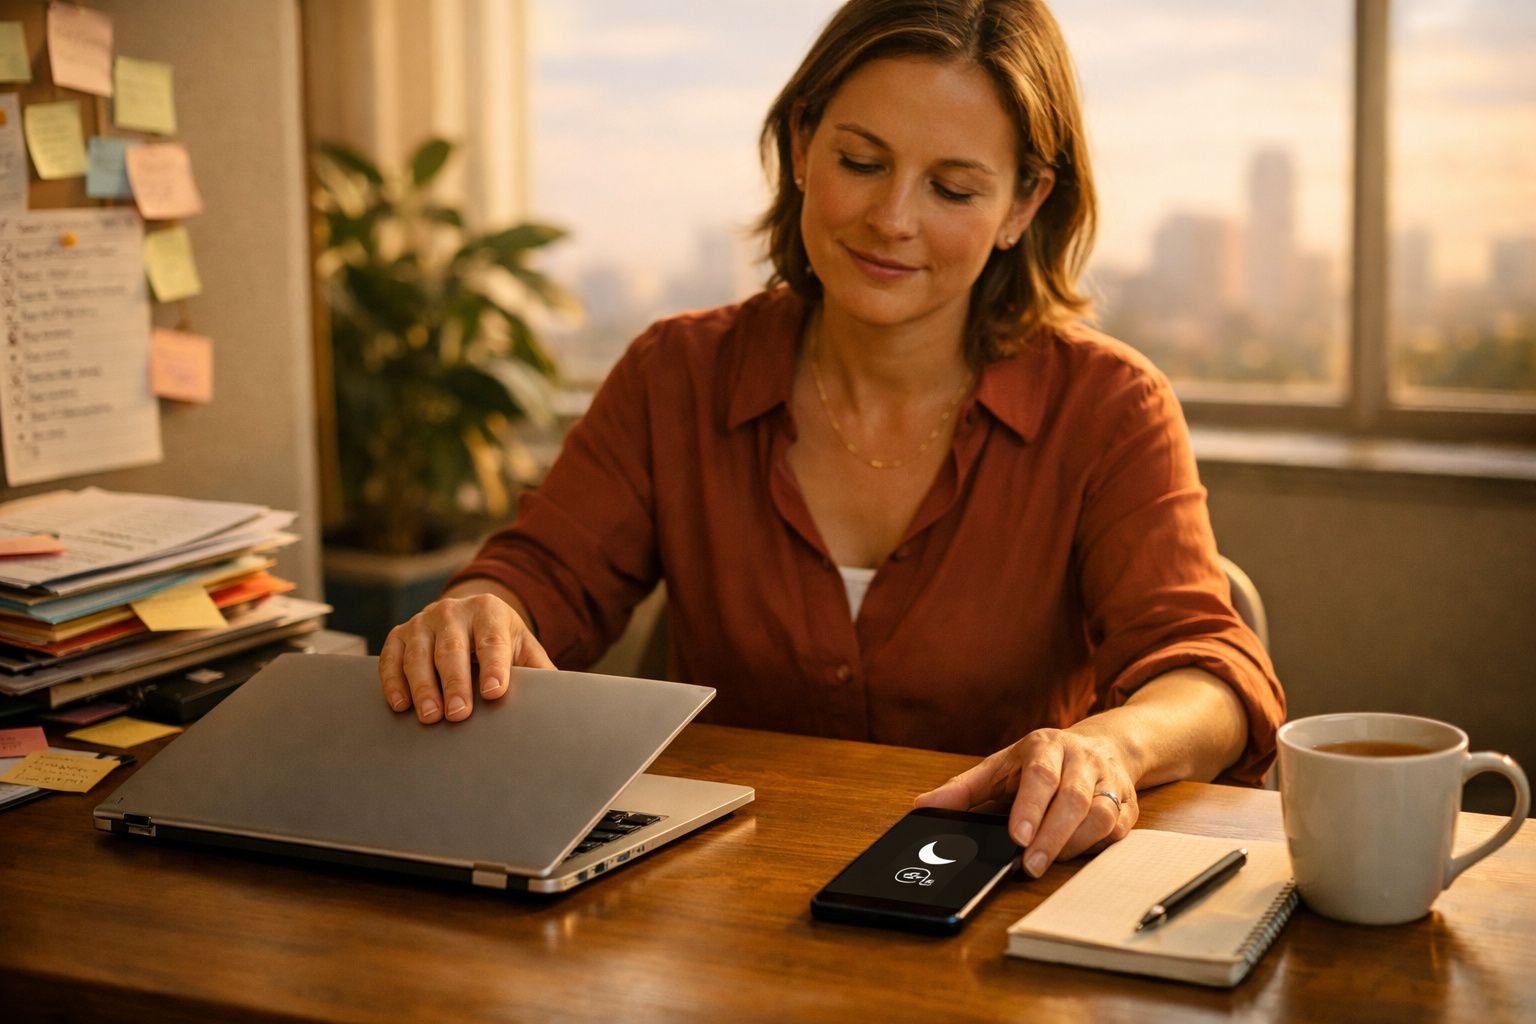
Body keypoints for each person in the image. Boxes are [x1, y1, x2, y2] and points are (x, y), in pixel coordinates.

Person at [377, 0, 1285, 880]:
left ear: (1022, 205)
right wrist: (482, 611)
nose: (893, 218)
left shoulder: (1109, 407)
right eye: (861, 161)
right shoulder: (675, 374)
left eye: (952, 188)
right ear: (803, 144)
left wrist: (1109, 747)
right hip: (717, 902)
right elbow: (539, 579)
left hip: (997, 900)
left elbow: (1210, 675)